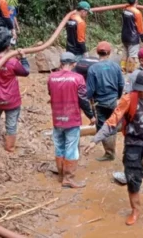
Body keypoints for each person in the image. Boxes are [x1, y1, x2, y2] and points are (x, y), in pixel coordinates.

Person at [84, 69, 143, 226]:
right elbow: (112, 121)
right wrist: (95, 140)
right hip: (134, 143)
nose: (142, 93)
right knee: (133, 178)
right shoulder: (128, 99)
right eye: (139, 89)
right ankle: (136, 210)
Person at [48, 52, 96, 188]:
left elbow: (51, 94)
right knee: (71, 148)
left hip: (57, 118)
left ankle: (61, 174)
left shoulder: (51, 77)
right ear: (74, 64)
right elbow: (83, 100)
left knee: (59, 145)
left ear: (60, 63)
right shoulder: (78, 78)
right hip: (72, 118)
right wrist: (90, 115)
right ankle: (68, 178)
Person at [0, 28, 30, 152]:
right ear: (8, 46)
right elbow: (26, 72)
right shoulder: (12, 62)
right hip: (11, 102)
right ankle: (10, 148)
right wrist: (23, 58)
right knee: (11, 126)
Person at [86, 41, 125, 161]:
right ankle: (113, 150)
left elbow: (90, 90)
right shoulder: (116, 66)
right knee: (112, 124)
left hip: (100, 103)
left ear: (97, 52)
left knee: (102, 125)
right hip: (113, 100)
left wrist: (90, 103)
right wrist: (118, 97)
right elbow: (121, 84)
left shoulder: (92, 69)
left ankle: (109, 153)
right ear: (109, 52)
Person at [121, 0, 143, 73]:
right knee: (132, 56)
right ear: (136, 1)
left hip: (124, 36)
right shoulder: (137, 12)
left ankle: (122, 70)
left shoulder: (125, 10)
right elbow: (140, 28)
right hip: (133, 37)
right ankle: (131, 72)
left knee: (125, 53)